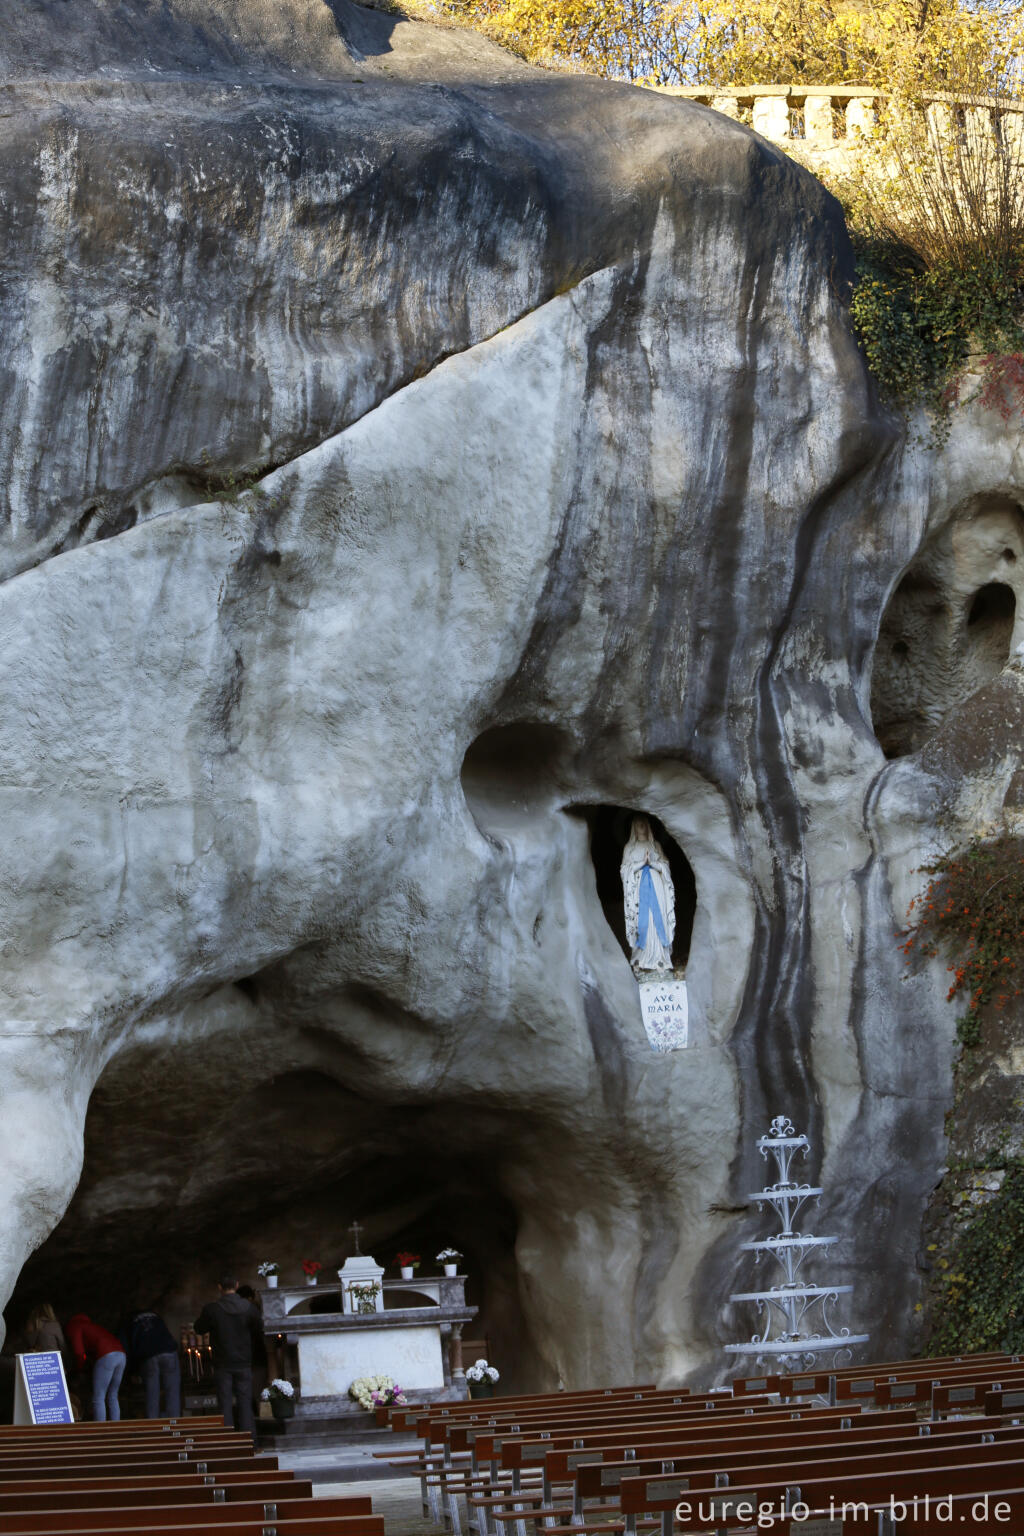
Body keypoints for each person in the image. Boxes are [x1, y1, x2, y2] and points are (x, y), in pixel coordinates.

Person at [194, 1275, 262, 1432]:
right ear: (237, 1285)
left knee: (224, 1405)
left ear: (219, 1287)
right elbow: (259, 1328)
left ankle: (228, 1443)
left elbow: (199, 1328)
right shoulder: (249, 1308)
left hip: (222, 1362)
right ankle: (250, 1442)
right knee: (245, 1403)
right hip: (243, 1361)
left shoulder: (212, 1309)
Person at [65, 1313, 127, 1421]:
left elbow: (79, 1352)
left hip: (106, 1355)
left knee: (99, 1397)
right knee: (113, 1395)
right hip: (121, 1354)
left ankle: (100, 1430)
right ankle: (117, 1426)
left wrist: (78, 1368)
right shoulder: (92, 1326)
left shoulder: (75, 1326)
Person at [128, 1308, 181, 1418]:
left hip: (149, 1355)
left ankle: (153, 1423)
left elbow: (130, 1347)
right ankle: (174, 1421)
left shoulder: (130, 1321)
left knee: (152, 1392)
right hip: (168, 1350)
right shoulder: (156, 1316)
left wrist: (132, 1371)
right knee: (172, 1390)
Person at [237, 1285, 268, 1424]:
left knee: (248, 1392)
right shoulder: (254, 1310)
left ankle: (252, 1419)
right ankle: (259, 1418)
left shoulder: (243, 1310)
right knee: (257, 1390)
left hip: (247, 1356)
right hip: (256, 1356)